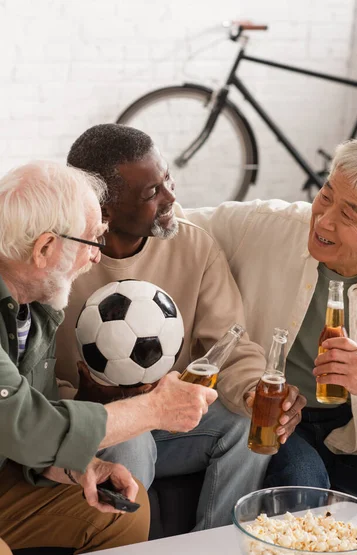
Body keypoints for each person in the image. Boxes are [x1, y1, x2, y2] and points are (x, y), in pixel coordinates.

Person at [56, 124, 307, 532]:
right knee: (131, 433)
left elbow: (231, 344)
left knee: (245, 422)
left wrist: (252, 392)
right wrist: (105, 403)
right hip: (99, 425)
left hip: (176, 418)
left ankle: (211, 551)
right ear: (103, 209)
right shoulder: (60, 262)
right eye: (152, 192)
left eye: (167, 179)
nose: (171, 197)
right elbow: (38, 379)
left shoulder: (195, 246)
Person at [0, 161, 217, 555]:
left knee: (122, 512)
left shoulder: (35, 311)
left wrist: (83, 466)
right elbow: (24, 424)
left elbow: (32, 429)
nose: (97, 254)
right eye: (91, 239)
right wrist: (155, 408)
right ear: (44, 249)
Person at [187, 138, 357, 501]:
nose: (324, 219)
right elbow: (177, 223)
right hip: (278, 415)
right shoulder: (266, 225)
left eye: (348, 214)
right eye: (327, 194)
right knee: (303, 487)